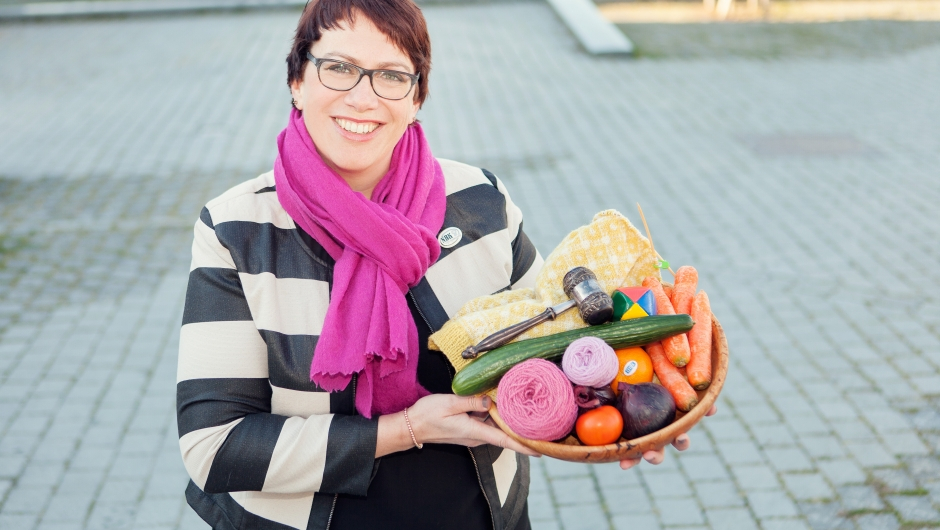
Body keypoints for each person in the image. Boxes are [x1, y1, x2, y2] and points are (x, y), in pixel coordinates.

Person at [176, 1, 713, 528]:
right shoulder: (237, 228)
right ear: (297, 81)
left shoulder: (479, 200)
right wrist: (407, 428)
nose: (362, 97)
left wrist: (638, 412)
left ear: (417, 97)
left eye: (391, 75)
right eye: (338, 68)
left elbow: (555, 348)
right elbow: (215, 446)